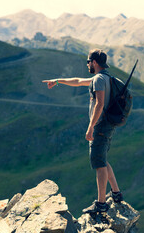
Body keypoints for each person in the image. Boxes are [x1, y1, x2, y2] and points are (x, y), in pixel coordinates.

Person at [42, 49, 123, 214]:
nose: (87, 65)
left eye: (88, 62)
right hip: (107, 125)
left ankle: (101, 204)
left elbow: (99, 104)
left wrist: (91, 127)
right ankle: (116, 193)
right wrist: (57, 81)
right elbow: (78, 81)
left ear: (94, 62)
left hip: (100, 126)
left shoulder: (99, 80)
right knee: (102, 159)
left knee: (99, 164)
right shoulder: (105, 78)